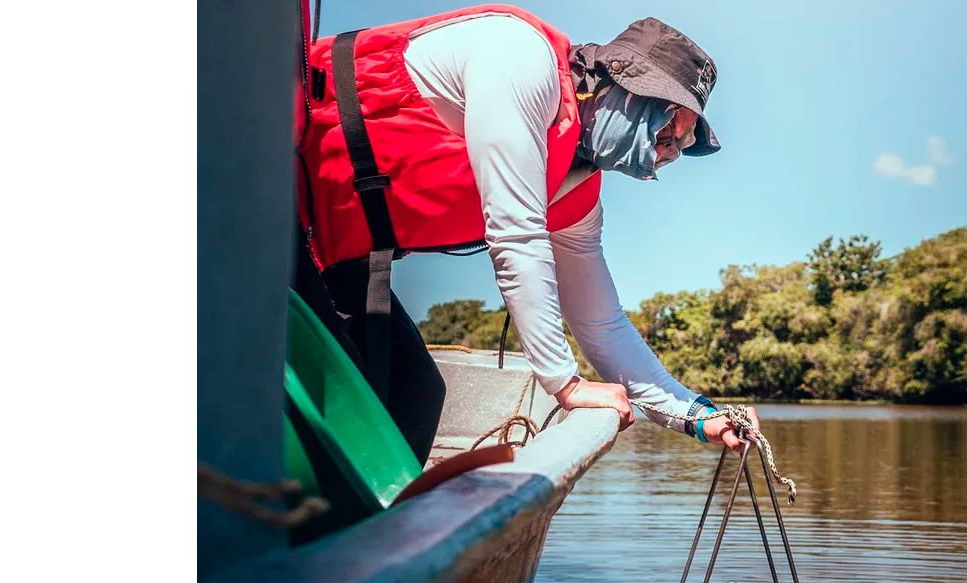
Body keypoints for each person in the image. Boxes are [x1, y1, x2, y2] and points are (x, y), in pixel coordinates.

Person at [296, 5, 759, 463]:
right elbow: (516, 234)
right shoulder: (520, 59)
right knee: (368, 395)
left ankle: (368, 534)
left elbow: (601, 323)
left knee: (414, 393)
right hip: (270, 200)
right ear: (626, 86)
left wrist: (697, 416)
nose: (669, 155)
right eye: (669, 135)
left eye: (682, 147)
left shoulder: (574, 189)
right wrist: (566, 384)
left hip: (331, 255)